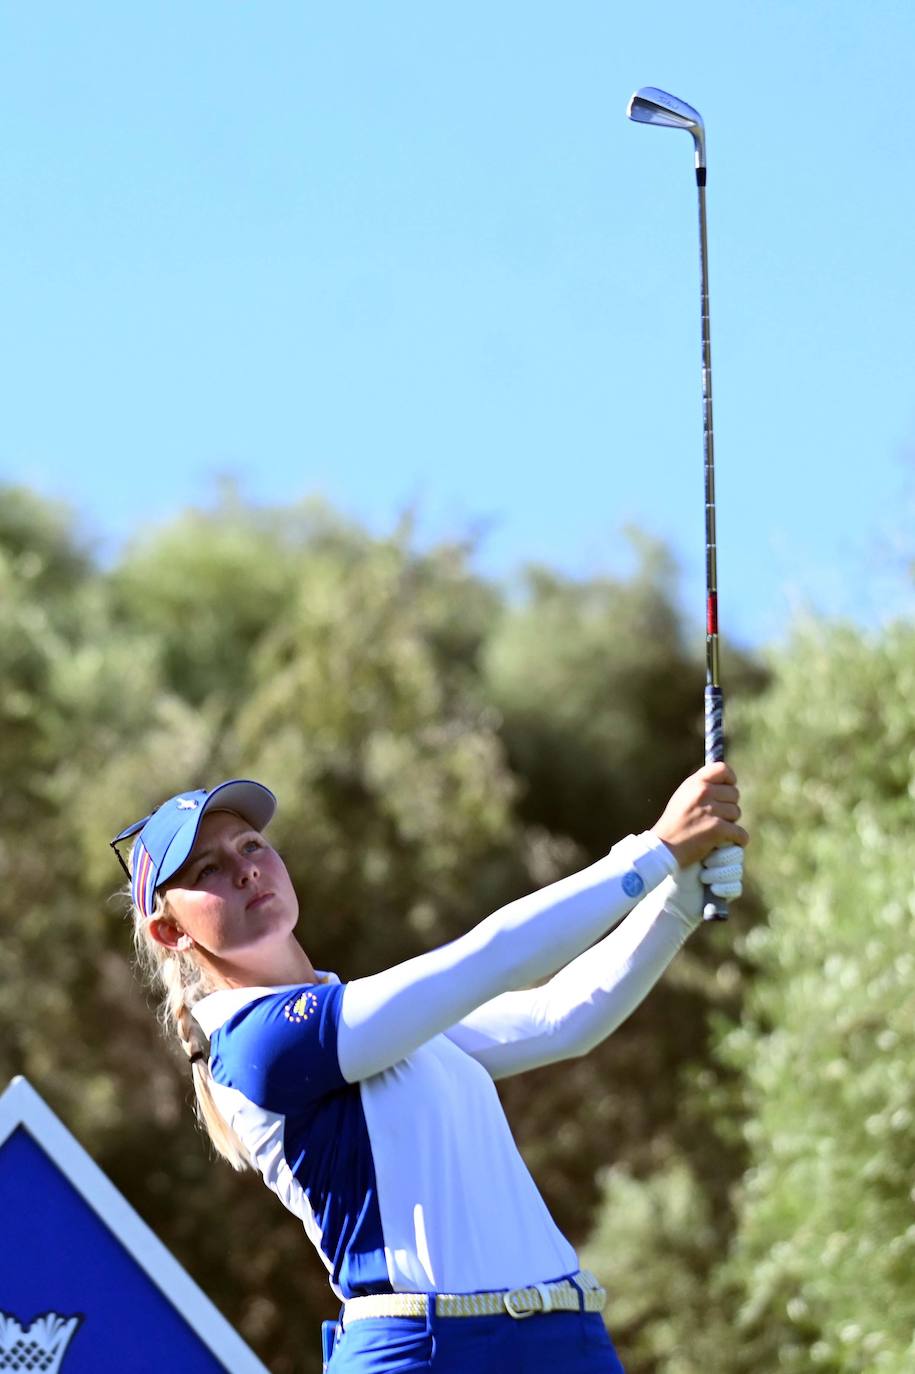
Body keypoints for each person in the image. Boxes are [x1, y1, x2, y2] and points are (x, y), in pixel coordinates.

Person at [111, 762, 747, 1373]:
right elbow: (488, 958)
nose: (246, 871)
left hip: (566, 1337)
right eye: (209, 869)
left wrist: (678, 900)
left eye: (252, 846)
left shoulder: (373, 1023)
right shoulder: (259, 1043)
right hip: (425, 1352)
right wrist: (654, 852)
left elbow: (561, 1017)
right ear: (172, 933)